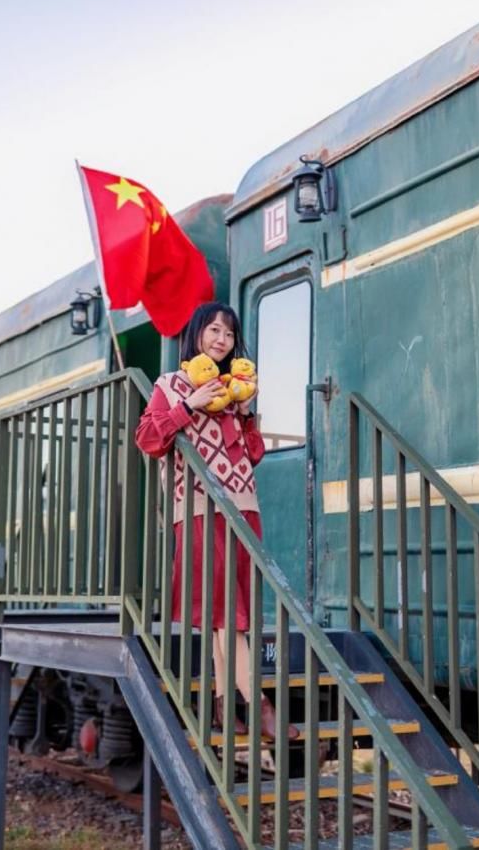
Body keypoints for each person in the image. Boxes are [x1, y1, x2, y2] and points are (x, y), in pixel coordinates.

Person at [134, 301, 298, 742]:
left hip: (243, 502)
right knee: (226, 609)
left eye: (229, 333)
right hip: (199, 502)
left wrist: (245, 417)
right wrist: (189, 404)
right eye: (214, 330)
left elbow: (254, 453)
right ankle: (261, 706)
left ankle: (225, 705)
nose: (222, 339)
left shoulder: (235, 389)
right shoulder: (172, 384)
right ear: (197, 334)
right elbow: (148, 439)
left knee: (230, 610)